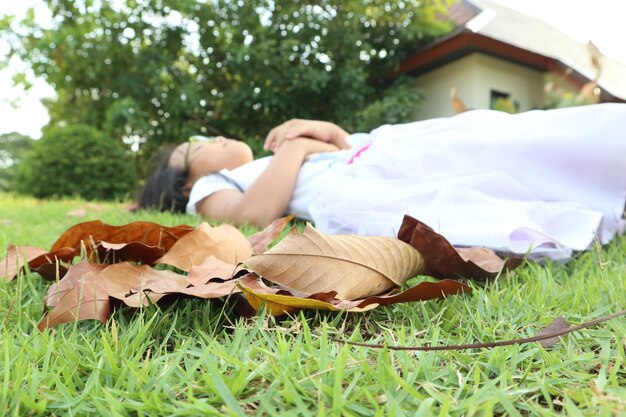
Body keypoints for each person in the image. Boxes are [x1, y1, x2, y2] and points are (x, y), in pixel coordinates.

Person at [139, 103, 626, 260]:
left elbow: (347, 150)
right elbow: (253, 215)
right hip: (362, 185)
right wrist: (299, 145)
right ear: (185, 184)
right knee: (486, 168)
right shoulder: (210, 188)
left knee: (493, 136)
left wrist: (326, 133)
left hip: (382, 152)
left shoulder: (258, 160)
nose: (217, 136)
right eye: (199, 143)